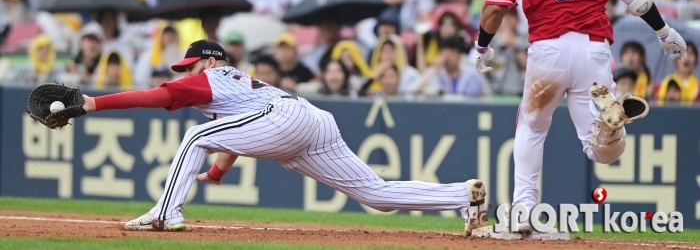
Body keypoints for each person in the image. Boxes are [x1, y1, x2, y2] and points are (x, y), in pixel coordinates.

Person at [79, 40, 489, 234]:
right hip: (311, 121)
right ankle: (462, 195)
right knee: (376, 195)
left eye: (189, 65)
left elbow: (152, 96)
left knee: (194, 137)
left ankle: (166, 213)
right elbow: (238, 132)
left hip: (284, 118)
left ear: (208, 60)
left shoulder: (209, 79)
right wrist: (217, 175)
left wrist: (94, 105)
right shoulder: (233, 84)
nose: (185, 73)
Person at [473, 0, 687, 235]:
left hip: (549, 52)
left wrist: (482, 46)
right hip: (594, 50)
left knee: (531, 126)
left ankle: (525, 208)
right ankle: (610, 125)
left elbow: (494, 11)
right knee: (600, 150)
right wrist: (663, 31)